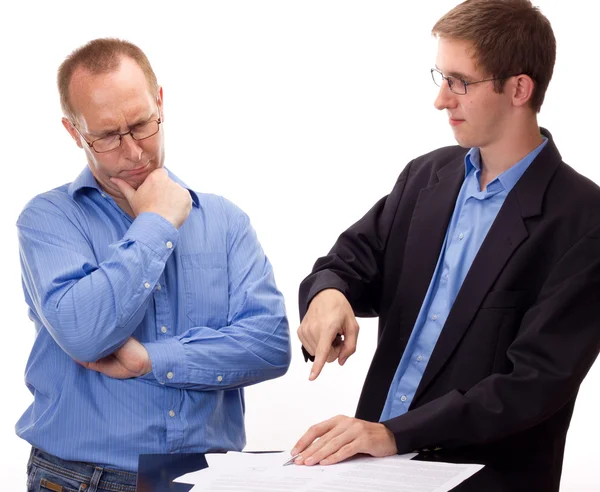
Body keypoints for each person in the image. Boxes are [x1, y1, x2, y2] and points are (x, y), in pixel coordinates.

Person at [293, 1, 600, 490]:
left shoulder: (584, 219)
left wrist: (392, 434)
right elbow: (346, 263)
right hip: (368, 474)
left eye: (460, 81)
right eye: (440, 76)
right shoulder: (426, 176)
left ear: (519, 88)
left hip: (482, 481)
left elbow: (534, 385)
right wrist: (329, 295)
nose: (441, 99)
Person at [17, 38, 291, 492]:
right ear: (74, 132)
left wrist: (150, 360)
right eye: (106, 136)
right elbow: (85, 333)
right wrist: (157, 221)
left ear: (160, 101)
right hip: (83, 480)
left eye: (142, 124)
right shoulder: (49, 220)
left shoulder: (224, 221)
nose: (133, 151)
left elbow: (269, 344)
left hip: (209, 478)